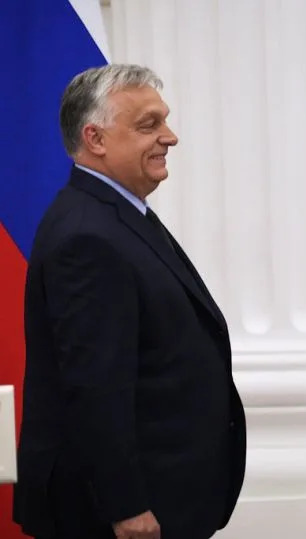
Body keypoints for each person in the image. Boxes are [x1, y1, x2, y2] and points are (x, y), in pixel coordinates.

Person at [13, 64, 246, 539]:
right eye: (148, 125)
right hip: (120, 516)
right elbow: (96, 386)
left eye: (164, 120)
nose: (170, 137)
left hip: (163, 496)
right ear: (95, 138)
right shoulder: (86, 235)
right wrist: (127, 507)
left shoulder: (115, 214)